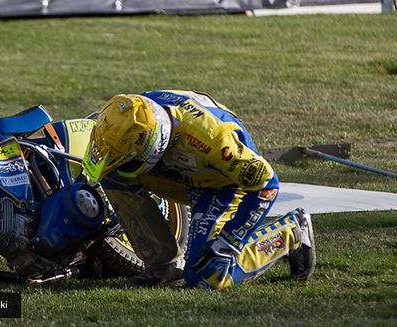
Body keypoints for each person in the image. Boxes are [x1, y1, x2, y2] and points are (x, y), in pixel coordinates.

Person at [82, 90, 315, 289]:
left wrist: (229, 240)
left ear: (154, 146)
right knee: (113, 172)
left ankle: (291, 232)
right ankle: (165, 268)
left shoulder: (216, 142)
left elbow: (267, 184)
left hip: (221, 184)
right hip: (180, 170)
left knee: (207, 275)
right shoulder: (136, 110)